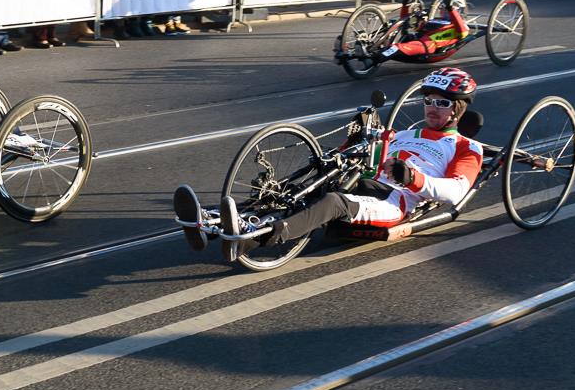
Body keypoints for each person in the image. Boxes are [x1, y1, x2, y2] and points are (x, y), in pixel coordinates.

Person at [174, 68, 484, 254]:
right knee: (316, 181)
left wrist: (412, 177)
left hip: (396, 200)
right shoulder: (405, 135)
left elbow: (455, 192)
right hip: (369, 183)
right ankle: (213, 220)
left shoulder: (465, 147)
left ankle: (257, 237)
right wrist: (354, 139)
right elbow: (367, 155)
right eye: (428, 100)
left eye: (441, 103)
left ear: (458, 109)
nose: (431, 108)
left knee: (334, 202)